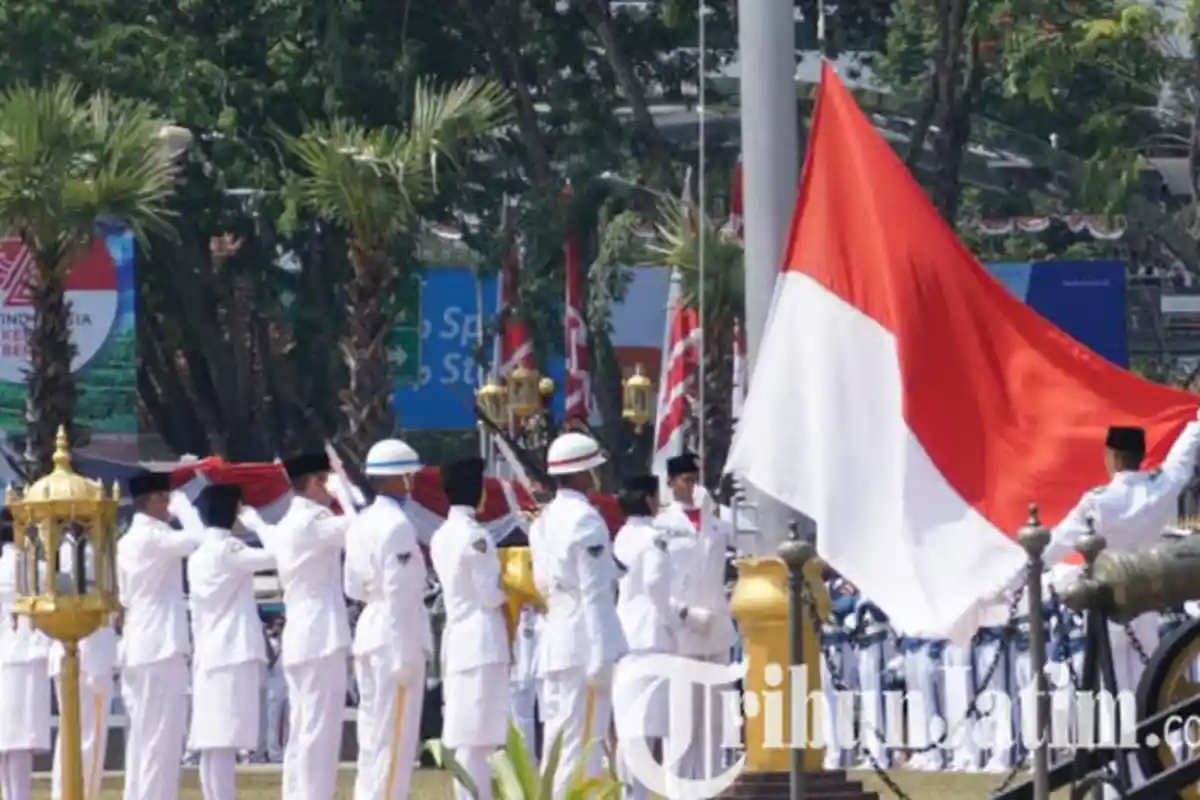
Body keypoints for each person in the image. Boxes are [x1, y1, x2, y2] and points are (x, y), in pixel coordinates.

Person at [531, 432, 626, 798]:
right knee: (584, 743)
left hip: (558, 635)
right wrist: (601, 654)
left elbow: (541, 583)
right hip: (585, 641)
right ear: (585, 473)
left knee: (560, 739)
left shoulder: (545, 519)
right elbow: (594, 591)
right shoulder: (586, 520)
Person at [343, 438, 431, 800]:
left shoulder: (361, 522)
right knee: (396, 739)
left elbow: (353, 587)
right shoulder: (397, 525)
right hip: (395, 634)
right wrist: (402, 653)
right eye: (410, 475)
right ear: (401, 479)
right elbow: (398, 593)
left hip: (371, 628)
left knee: (373, 736)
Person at [118, 470, 206, 800]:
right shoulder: (155, 536)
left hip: (138, 642)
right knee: (162, 737)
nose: (169, 506)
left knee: (142, 736)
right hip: (159, 646)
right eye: (165, 499)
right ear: (151, 501)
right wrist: (187, 510)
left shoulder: (125, 540)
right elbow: (199, 540)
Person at [270, 452, 353, 800]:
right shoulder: (314, 520)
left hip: (301, 635)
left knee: (303, 729)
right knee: (320, 731)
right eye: (325, 480)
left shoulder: (288, 521)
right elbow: (363, 525)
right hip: (321, 636)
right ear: (317, 482)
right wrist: (343, 492)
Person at [186, 483, 276, 800]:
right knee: (223, 741)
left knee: (212, 743)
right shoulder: (228, 550)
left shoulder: (198, 556)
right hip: (232, 652)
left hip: (210, 653)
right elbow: (278, 554)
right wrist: (259, 524)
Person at [429, 457, 510, 800]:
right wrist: (515, 590)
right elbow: (489, 593)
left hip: (458, 639)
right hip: (481, 640)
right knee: (479, 739)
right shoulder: (476, 537)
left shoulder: (441, 534)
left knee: (466, 735)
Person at [654, 453, 735, 783]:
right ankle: (679, 781)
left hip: (715, 623)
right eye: (684, 480)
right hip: (681, 626)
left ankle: (711, 777)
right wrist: (682, 613)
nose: (690, 486)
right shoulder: (662, 525)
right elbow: (655, 582)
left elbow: (745, 545)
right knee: (682, 712)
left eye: (694, 479)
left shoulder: (718, 521)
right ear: (671, 483)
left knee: (713, 713)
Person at [611, 474, 681, 800]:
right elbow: (656, 584)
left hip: (625, 633)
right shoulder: (654, 539)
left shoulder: (620, 536)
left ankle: (631, 793)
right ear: (649, 499)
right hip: (651, 635)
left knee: (629, 726)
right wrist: (672, 618)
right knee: (647, 728)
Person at [49, 529, 117, 800]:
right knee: (89, 740)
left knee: (69, 737)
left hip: (64, 648)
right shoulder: (92, 551)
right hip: (91, 651)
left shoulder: (55, 547)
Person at [0, 508, 52, 800]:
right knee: (19, 738)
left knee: (6, 739)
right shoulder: (34, 567)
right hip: (24, 655)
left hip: (6, 654)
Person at [259, 615, 288, 764]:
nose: (280, 628)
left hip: (286, 687)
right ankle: (273, 754)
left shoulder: (286, 642)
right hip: (272, 687)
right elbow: (270, 661)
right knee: (272, 724)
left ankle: (283, 752)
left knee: (286, 724)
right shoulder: (270, 642)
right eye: (278, 624)